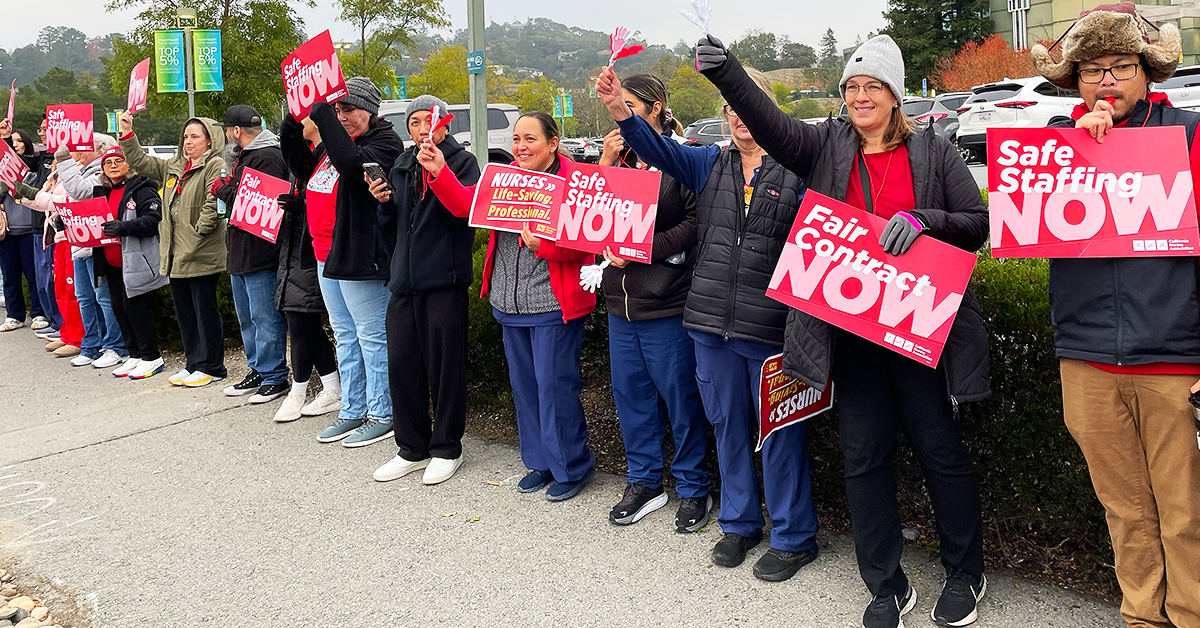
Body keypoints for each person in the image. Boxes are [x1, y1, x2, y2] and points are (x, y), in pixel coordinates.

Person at [695, 34, 992, 626]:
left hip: (918, 331)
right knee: (863, 458)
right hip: (852, 334)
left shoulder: (934, 152)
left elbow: (977, 223)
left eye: (872, 86)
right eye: (852, 87)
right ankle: (885, 584)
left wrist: (926, 220)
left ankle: (965, 572)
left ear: (895, 94)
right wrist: (727, 73)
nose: (860, 96)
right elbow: (771, 123)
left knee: (939, 451)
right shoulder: (826, 146)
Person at [596, 66, 818, 582]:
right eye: (731, 107)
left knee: (781, 435)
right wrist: (619, 111)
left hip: (772, 328)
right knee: (727, 427)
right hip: (711, 326)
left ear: (769, 111)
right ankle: (739, 524)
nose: (740, 116)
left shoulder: (798, 169)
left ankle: (793, 536)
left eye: (749, 105)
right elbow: (657, 149)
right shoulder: (709, 163)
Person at [1030, 5, 1200, 626]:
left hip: (1174, 359)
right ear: (1075, 80)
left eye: (1121, 66)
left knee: (1186, 512)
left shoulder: (1188, 135)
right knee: (1124, 509)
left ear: (1147, 71)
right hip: (1086, 358)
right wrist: (1077, 149)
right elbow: (1025, 232)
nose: (1106, 80)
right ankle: (1142, 617)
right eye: (1092, 69)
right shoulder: (1050, 147)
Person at [422, 112, 598, 501]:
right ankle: (540, 463)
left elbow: (588, 239)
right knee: (525, 389)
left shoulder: (574, 181)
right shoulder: (504, 178)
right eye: (516, 139)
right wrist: (439, 171)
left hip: (552, 305)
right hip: (510, 304)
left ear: (553, 143)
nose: (520, 146)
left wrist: (546, 246)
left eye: (530, 139)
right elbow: (466, 205)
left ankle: (572, 465)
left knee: (555, 389)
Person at [594, 74, 712, 532]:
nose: (619, 113)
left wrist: (644, 248)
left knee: (680, 399)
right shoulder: (621, 157)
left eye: (629, 105)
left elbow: (696, 223)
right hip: (620, 302)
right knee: (632, 397)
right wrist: (605, 162)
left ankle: (693, 486)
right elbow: (589, 215)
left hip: (667, 301)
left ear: (656, 108)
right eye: (616, 106)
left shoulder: (684, 157)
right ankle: (644, 481)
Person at [279, 77, 404, 447]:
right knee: (345, 336)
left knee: (371, 337)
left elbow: (351, 167)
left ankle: (382, 413)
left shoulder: (384, 142)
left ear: (369, 110)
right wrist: (293, 119)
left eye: (348, 109)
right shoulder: (330, 144)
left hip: (361, 257)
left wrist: (320, 111)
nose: (341, 116)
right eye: (337, 109)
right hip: (325, 254)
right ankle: (352, 408)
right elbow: (300, 165)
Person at [367, 95, 479, 485]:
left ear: (444, 123)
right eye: (414, 122)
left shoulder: (463, 163)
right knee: (402, 367)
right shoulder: (401, 164)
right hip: (403, 281)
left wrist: (440, 172)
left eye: (428, 121)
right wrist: (383, 202)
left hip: (444, 279)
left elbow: (463, 214)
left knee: (445, 369)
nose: (421, 129)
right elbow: (393, 225)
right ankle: (411, 447)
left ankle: (447, 447)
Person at [120, 111, 229, 387]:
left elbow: (213, 203)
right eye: (185, 136)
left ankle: (212, 366)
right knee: (185, 313)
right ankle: (193, 363)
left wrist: (197, 233)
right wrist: (128, 134)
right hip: (175, 253)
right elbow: (141, 162)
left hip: (200, 252)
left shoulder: (214, 165)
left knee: (204, 311)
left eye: (195, 137)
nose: (187, 142)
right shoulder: (174, 166)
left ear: (209, 140)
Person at [211, 105, 290, 403]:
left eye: (226, 130)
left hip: (260, 251)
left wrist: (223, 190)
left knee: (264, 317)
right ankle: (258, 368)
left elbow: (259, 201)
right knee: (248, 317)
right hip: (241, 249)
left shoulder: (266, 156)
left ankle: (274, 375)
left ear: (235, 131)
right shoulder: (245, 157)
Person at [273, 116, 341, 423]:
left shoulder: (330, 155)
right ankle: (330, 386)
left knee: (304, 321)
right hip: (296, 250)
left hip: (316, 250)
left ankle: (300, 390)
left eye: (307, 117)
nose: (302, 123)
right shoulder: (307, 155)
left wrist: (301, 206)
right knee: (300, 321)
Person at [92, 147, 169, 379]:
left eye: (119, 161)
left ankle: (151, 356)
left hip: (136, 261)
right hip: (111, 262)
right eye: (108, 162)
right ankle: (134, 353)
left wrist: (125, 227)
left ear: (129, 165)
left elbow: (153, 219)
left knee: (137, 309)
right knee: (120, 308)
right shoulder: (101, 193)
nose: (113, 165)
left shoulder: (142, 188)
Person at [7, 127, 60, 342]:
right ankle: (18, 315)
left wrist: (28, 195)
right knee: (22, 276)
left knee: (42, 277)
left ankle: (45, 316)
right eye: (42, 129)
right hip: (19, 228)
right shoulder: (40, 159)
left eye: (19, 141)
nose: (15, 145)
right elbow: (9, 164)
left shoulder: (43, 160)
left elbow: (45, 196)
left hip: (39, 228)